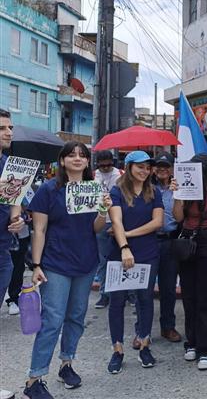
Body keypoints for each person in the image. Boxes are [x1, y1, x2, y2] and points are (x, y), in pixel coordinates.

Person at [22, 141, 112, 399]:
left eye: (82, 155)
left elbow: (95, 228)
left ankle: (66, 364)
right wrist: (36, 265)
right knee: (52, 320)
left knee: (76, 316)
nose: (77, 158)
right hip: (56, 263)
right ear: (62, 161)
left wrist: (103, 210)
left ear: (87, 162)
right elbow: (38, 230)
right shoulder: (48, 190)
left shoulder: (93, 189)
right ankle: (34, 379)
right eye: (71, 155)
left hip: (86, 263)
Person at [107, 151, 164, 373]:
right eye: (140, 166)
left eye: (148, 167)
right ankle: (117, 349)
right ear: (129, 167)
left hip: (148, 252)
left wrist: (128, 235)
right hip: (120, 254)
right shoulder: (116, 190)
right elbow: (115, 221)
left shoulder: (154, 191)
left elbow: (157, 222)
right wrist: (124, 247)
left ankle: (145, 344)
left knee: (145, 299)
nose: (144, 171)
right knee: (117, 301)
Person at [171, 152, 207, 371]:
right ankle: (191, 343)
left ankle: (206, 349)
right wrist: (177, 194)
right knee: (189, 296)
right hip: (188, 242)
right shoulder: (187, 188)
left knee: (206, 298)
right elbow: (177, 217)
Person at [0, 108, 26, 399]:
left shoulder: (12, 165)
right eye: (2, 128)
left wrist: (16, 219)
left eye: (10, 127)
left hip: (2, 248)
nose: (8, 132)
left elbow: (14, 202)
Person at [152, 151, 182, 343]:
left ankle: (168, 326)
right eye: (159, 166)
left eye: (166, 166)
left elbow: (180, 217)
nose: (162, 170)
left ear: (172, 168)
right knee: (143, 288)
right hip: (148, 241)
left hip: (170, 241)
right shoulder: (147, 187)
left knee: (168, 288)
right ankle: (142, 330)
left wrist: (177, 193)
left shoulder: (178, 187)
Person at [93, 150, 123, 309]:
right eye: (102, 165)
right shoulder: (92, 177)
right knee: (103, 260)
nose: (105, 168)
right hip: (102, 221)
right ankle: (104, 294)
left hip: (119, 221)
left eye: (108, 165)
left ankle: (128, 293)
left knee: (124, 257)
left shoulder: (121, 175)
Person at [6, 207, 30, 315]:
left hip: (19, 232)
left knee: (17, 266)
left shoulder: (24, 190)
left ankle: (14, 297)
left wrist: (26, 213)